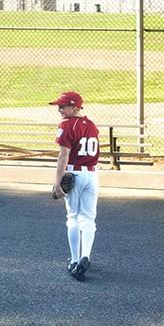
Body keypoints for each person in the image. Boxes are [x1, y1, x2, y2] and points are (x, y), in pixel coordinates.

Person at [50, 91, 99, 282]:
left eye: (64, 106)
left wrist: (57, 181)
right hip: (92, 174)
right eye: (59, 106)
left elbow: (63, 155)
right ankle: (86, 255)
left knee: (73, 217)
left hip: (74, 173)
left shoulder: (66, 125)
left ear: (75, 107)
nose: (60, 109)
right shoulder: (92, 125)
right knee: (88, 217)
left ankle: (75, 259)